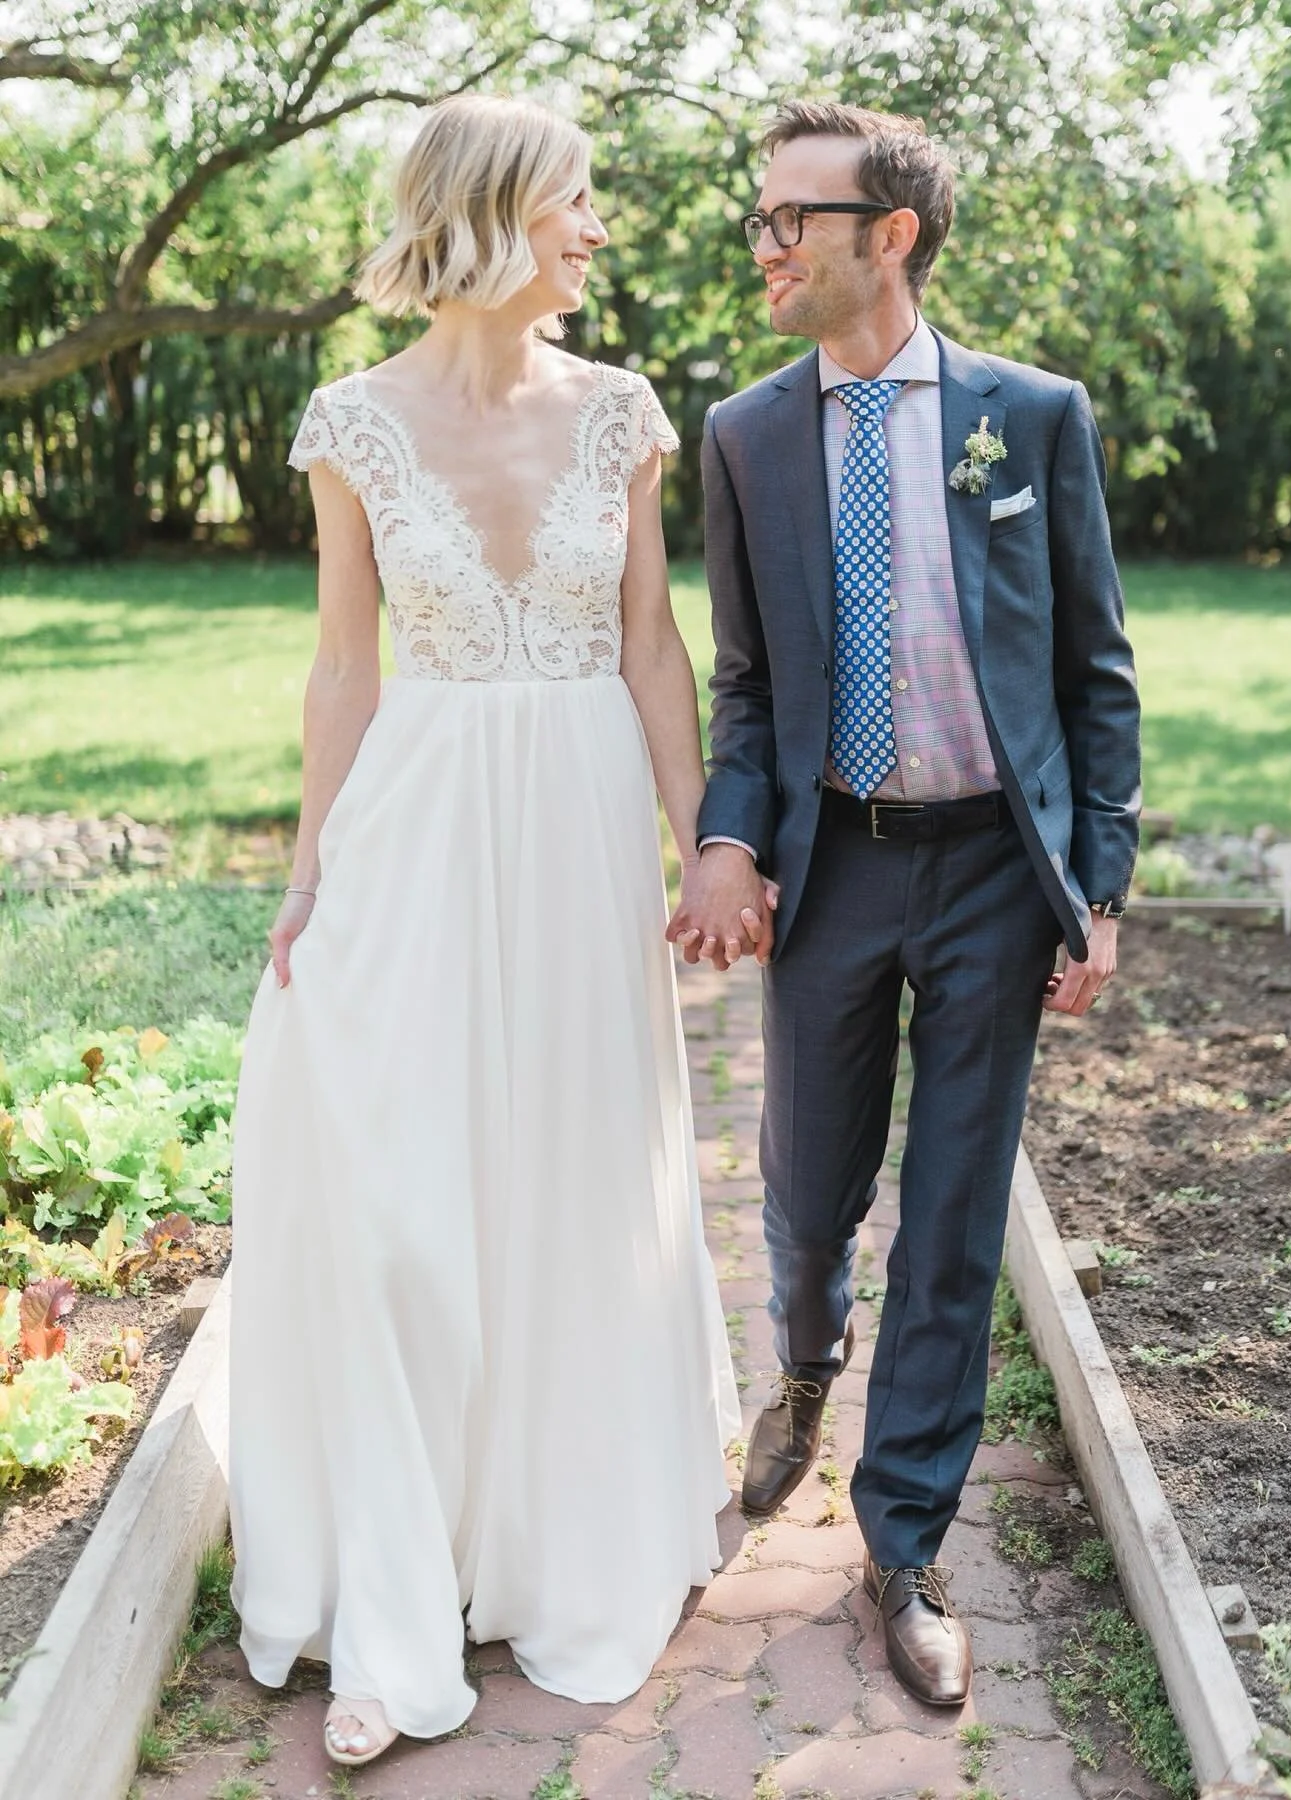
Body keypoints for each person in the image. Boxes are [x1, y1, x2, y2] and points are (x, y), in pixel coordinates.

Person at [228, 94, 740, 1769]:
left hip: (585, 830)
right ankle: (395, 1596)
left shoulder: (624, 413)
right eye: (577, 202)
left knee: (576, 1178)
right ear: (495, 216)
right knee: (398, 1202)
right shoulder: (352, 423)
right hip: (420, 822)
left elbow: (654, 645)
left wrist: (703, 845)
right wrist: (312, 862)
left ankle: (548, 1540)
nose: (600, 229)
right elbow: (343, 666)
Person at [668, 101, 1141, 1707]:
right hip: (838, 863)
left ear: (895, 236)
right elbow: (745, 687)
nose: (767, 246)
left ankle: (905, 1541)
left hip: (997, 874)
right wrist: (729, 840)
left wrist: (1104, 881)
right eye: (761, 219)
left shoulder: (1033, 417)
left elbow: (1094, 672)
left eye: (794, 218)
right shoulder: (743, 435)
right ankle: (803, 1362)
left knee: (952, 1214)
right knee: (808, 1189)